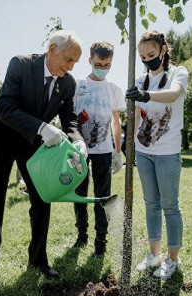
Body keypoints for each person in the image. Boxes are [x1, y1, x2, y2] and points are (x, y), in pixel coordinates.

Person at [0, 30, 86, 289]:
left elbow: (69, 119)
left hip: (33, 147)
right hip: (1, 141)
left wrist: (78, 140)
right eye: (68, 59)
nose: (70, 67)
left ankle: (38, 260)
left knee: (42, 199)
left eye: (74, 63)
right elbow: (4, 108)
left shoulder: (68, 83)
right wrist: (42, 128)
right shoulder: (21, 64)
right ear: (51, 49)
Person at [125, 30, 188, 280]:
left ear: (163, 49)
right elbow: (135, 113)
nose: (147, 60)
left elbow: (173, 94)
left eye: (151, 54)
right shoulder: (140, 79)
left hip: (168, 152)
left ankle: (172, 260)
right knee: (151, 204)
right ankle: (153, 255)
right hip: (144, 152)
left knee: (170, 207)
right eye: (142, 56)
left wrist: (146, 95)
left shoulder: (178, 73)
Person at [72, 41, 125, 258]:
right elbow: (70, 117)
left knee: (103, 196)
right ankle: (82, 235)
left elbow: (116, 122)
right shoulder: (78, 85)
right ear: (90, 61)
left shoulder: (113, 89)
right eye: (99, 64)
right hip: (80, 151)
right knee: (79, 194)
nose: (102, 68)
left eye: (107, 65)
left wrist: (118, 151)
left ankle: (100, 241)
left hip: (103, 151)